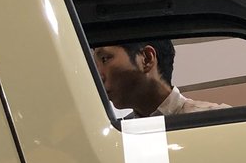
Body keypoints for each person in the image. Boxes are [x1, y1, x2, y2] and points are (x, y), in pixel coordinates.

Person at [92, 40, 228, 118]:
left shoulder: (216, 119)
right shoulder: (120, 134)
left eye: (105, 59)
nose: (98, 75)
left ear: (147, 58)